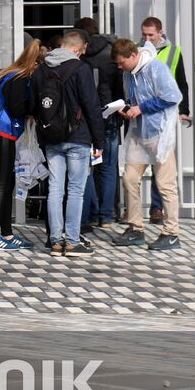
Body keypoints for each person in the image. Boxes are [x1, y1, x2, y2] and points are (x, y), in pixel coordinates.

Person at [33, 31, 104, 256]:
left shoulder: (42, 69)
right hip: (78, 137)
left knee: (55, 188)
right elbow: (92, 106)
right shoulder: (80, 69)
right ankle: (72, 242)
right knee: (75, 189)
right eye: (82, 51)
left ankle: (55, 241)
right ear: (76, 48)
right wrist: (99, 140)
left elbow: (34, 103)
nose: (82, 54)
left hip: (51, 137)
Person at [111, 37, 184, 251]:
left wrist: (141, 108)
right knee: (130, 179)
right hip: (138, 132)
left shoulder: (157, 68)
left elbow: (173, 96)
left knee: (165, 183)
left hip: (159, 132)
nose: (119, 67)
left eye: (121, 62)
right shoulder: (128, 73)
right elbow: (133, 99)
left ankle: (171, 233)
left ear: (133, 55)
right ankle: (135, 228)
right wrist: (128, 108)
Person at [0, 39, 40, 251]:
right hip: (2, 133)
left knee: (8, 184)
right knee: (2, 186)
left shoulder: (11, 74)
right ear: (35, 64)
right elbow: (16, 109)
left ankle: (6, 233)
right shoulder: (20, 78)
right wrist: (32, 107)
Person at [140, 17, 191, 225]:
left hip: (165, 115)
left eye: (151, 35)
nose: (146, 38)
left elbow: (181, 83)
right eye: (144, 34)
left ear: (161, 33)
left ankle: (157, 207)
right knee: (140, 162)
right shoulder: (138, 50)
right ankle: (136, 210)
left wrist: (183, 109)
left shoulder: (174, 51)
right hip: (142, 114)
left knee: (161, 162)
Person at [75, 17, 123, 231]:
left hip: (85, 118)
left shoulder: (79, 56)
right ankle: (107, 215)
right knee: (108, 167)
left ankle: (90, 213)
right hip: (110, 115)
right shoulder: (112, 52)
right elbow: (120, 87)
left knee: (86, 168)